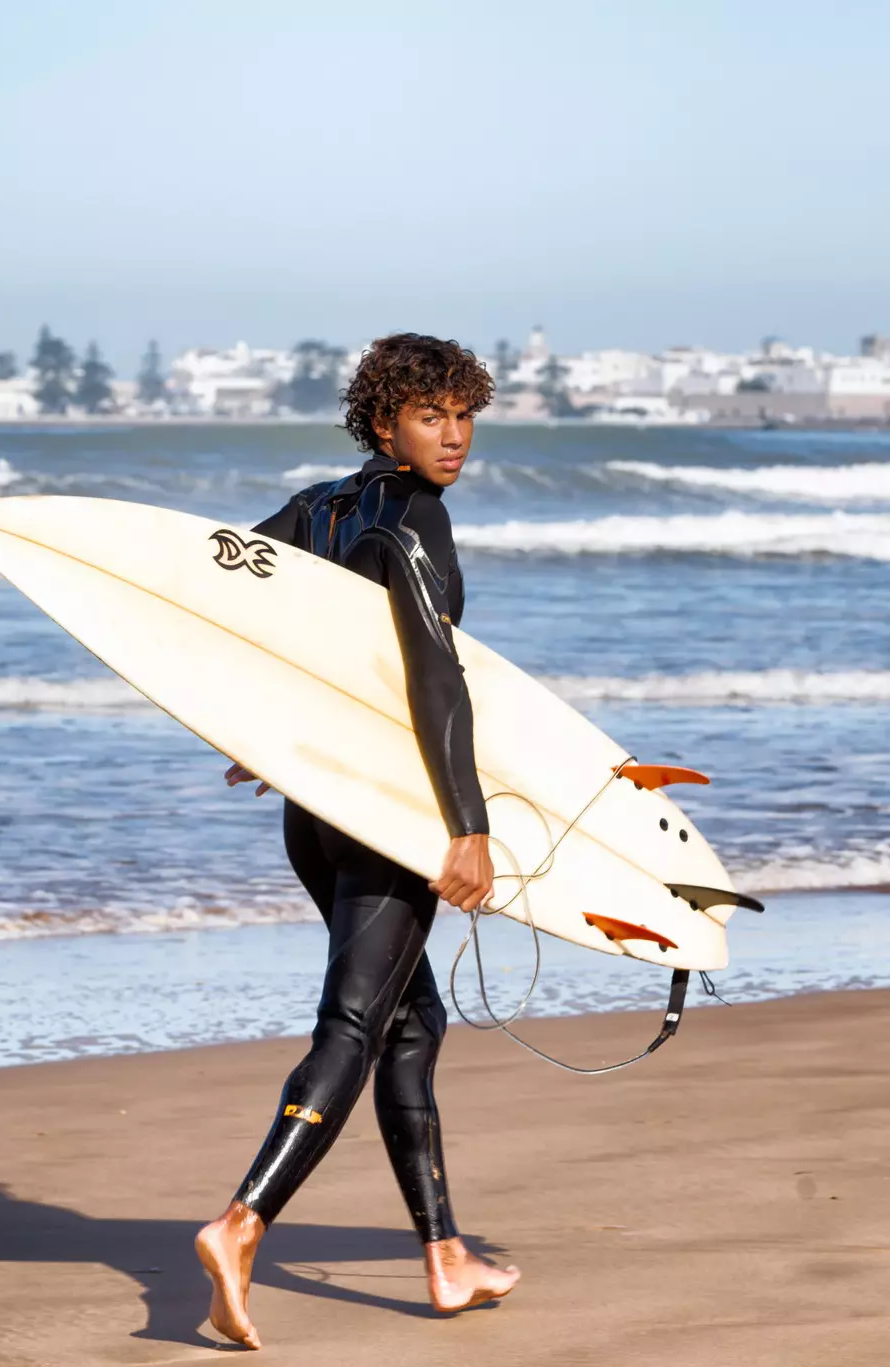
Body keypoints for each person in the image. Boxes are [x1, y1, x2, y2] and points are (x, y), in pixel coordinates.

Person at [194, 334, 519, 1349]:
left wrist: (267, 731)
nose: (454, 436)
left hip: (315, 810)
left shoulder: (317, 506)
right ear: (386, 423)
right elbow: (435, 676)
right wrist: (465, 823)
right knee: (351, 1023)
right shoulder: (414, 517)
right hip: (389, 810)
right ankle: (241, 1220)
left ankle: (445, 1254)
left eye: (465, 415)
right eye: (432, 416)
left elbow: (216, 598)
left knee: (410, 1024)